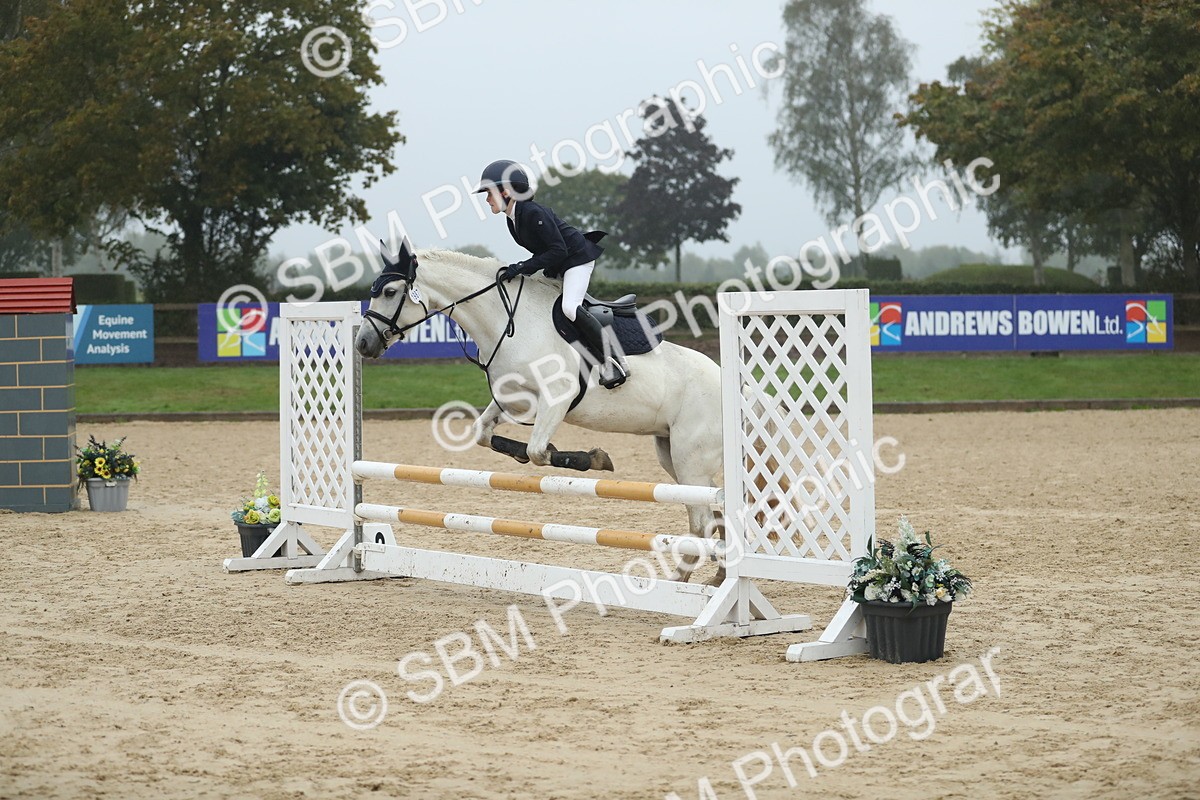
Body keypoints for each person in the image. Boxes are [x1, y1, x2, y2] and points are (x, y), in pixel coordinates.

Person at [474, 159, 627, 388]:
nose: (486, 200)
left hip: (577, 260)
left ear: (506, 192)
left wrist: (524, 266)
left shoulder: (533, 212)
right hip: (558, 264)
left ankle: (614, 360)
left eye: (489, 193)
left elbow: (558, 249)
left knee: (569, 308)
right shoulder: (512, 218)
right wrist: (522, 269)